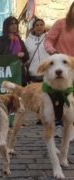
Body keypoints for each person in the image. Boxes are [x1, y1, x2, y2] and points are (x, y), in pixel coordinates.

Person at [44, 2, 74, 138]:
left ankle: (71, 126)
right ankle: (59, 125)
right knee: (61, 97)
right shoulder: (61, 24)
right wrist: (52, 51)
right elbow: (48, 40)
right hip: (62, 67)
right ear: (71, 9)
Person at [0, 16, 29, 86]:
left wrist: (23, 55)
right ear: (6, 26)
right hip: (6, 74)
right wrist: (15, 56)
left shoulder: (19, 40)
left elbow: (26, 57)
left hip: (19, 74)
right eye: (11, 24)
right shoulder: (0, 40)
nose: (14, 26)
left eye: (15, 23)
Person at [25, 18, 49, 83]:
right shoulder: (28, 40)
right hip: (33, 74)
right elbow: (26, 57)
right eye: (37, 25)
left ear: (44, 27)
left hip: (48, 73)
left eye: (41, 25)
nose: (39, 27)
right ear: (34, 28)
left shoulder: (49, 38)